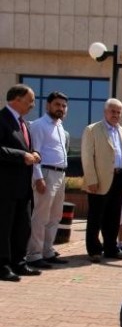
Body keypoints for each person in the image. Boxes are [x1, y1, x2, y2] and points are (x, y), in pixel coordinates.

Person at [81, 98, 122, 262]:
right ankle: (94, 250)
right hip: (99, 180)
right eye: (113, 111)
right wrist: (91, 179)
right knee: (96, 216)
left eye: (118, 112)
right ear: (105, 112)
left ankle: (111, 248)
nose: (116, 114)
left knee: (113, 216)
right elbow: (87, 157)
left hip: (119, 178)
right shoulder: (92, 129)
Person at [0, 84, 42, 281]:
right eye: (29, 100)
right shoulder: (2, 120)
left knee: (22, 226)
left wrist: (34, 153)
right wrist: (22, 155)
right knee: (4, 226)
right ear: (16, 99)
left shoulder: (24, 123)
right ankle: (2, 266)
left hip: (23, 186)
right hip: (5, 187)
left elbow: (27, 147)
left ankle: (19, 262)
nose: (33, 105)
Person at [26, 91, 70, 269]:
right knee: (40, 216)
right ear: (48, 105)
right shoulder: (38, 125)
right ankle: (34, 255)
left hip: (60, 174)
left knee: (55, 216)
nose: (61, 108)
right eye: (57, 105)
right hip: (45, 174)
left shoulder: (60, 127)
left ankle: (47, 251)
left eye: (64, 106)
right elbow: (34, 152)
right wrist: (38, 178)